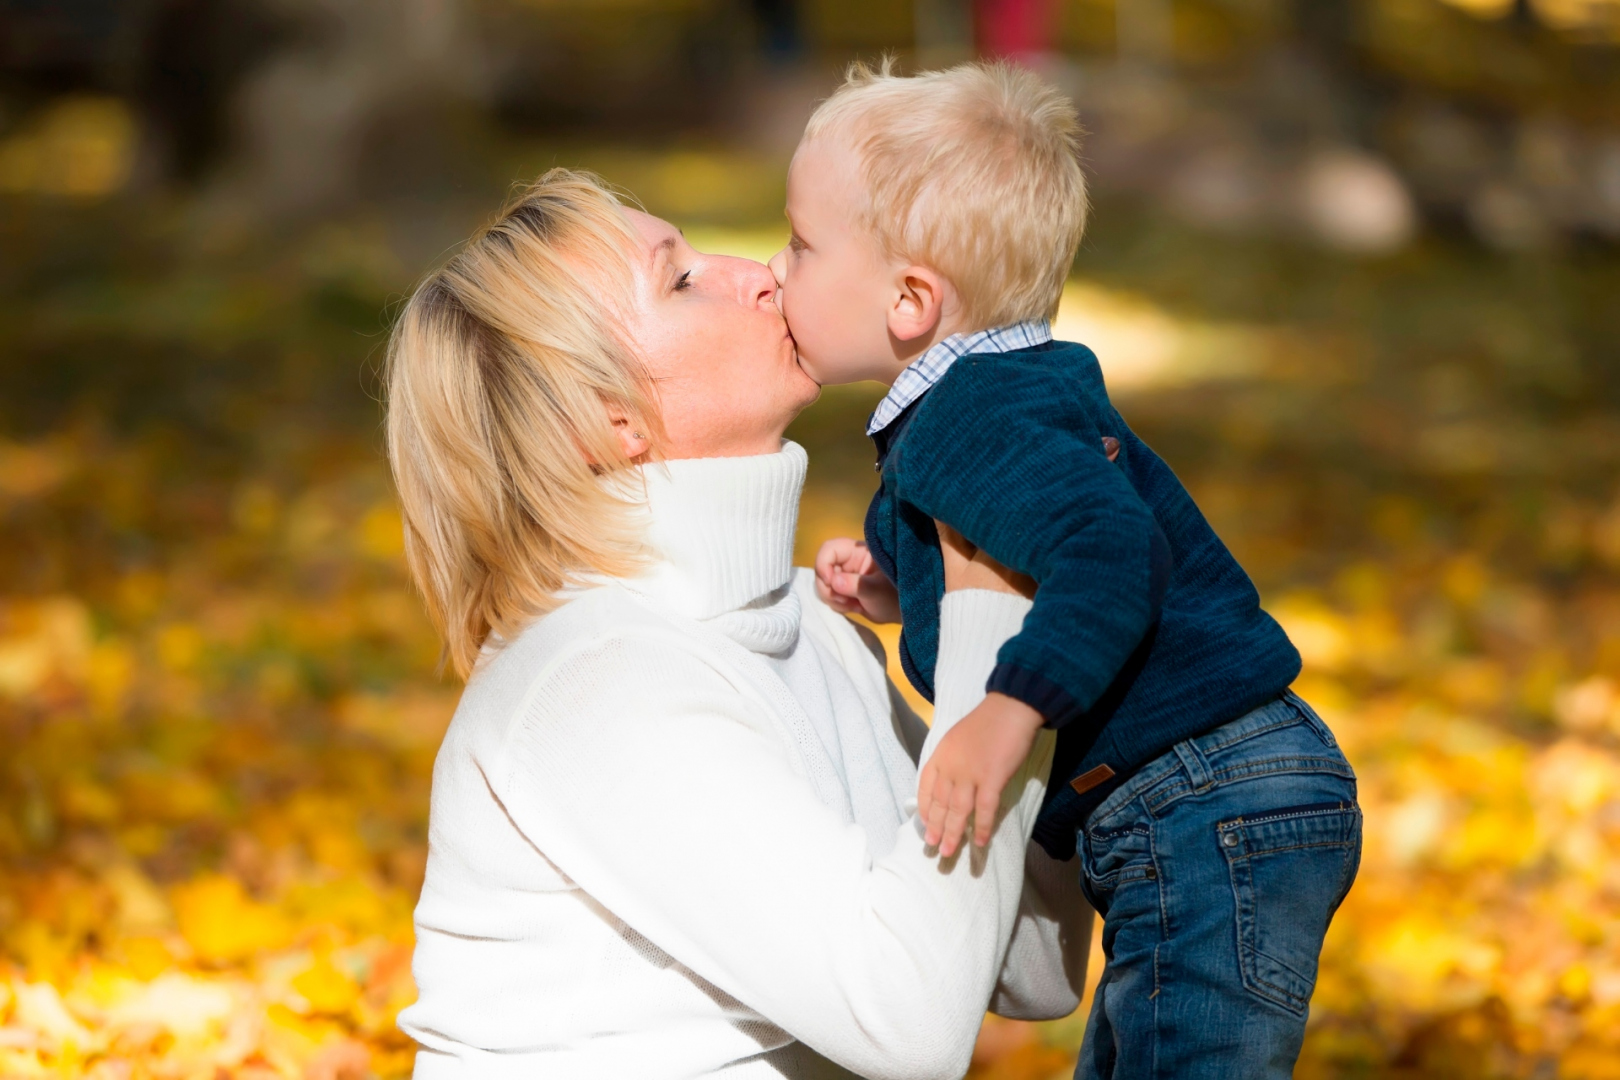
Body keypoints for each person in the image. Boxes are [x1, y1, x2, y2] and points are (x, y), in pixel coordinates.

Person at [383, 169, 1091, 1080]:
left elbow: (1032, 964)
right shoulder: (599, 680)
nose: (758, 273)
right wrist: (995, 614)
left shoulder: (810, 624)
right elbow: (908, 1025)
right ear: (606, 421)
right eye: (679, 281)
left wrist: (1036, 647)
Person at [768, 60, 1363, 1079]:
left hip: (1202, 796)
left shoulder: (972, 415)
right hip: (1203, 795)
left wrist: (1011, 710)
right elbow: (1038, 548)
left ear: (912, 299)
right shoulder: (1002, 396)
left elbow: (1108, 550)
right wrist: (897, 586)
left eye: (802, 244)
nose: (776, 271)